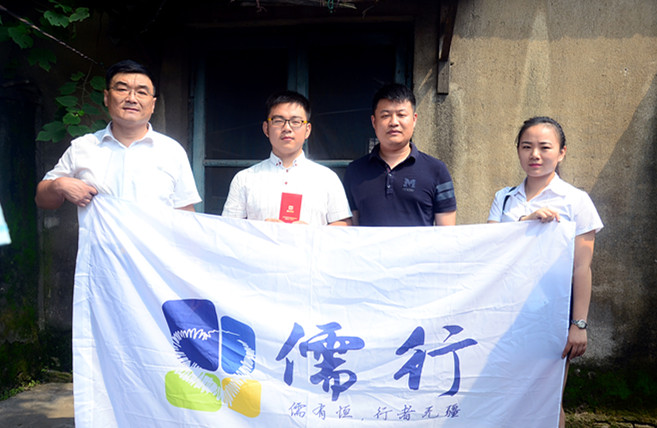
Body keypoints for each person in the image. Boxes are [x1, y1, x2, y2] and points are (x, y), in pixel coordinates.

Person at [487, 116, 603, 428]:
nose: (535, 155)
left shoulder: (576, 201)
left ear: (562, 152)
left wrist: (579, 324)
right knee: (503, 398)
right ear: (518, 151)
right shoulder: (504, 198)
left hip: (552, 316)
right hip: (507, 314)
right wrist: (524, 223)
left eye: (544, 147)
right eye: (527, 147)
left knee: (547, 401)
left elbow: (582, 267)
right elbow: (490, 249)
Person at [35, 60, 200, 211]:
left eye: (142, 92)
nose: (132, 99)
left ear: (153, 104)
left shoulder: (171, 151)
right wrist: (58, 185)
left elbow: (185, 213)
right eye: (122, 89)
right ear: (106, 97)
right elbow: (43, 201)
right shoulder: (83, 147)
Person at [222, 90, 352, 226]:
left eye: (296, 122)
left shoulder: (327, 178)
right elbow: (228, 227)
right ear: (266, 129)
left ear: (307, 130)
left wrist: (311, 233)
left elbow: (343, 224)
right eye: (278, 121)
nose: (287, 128)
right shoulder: (244, 179)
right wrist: (261, 230)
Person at [342, 83, 456, 226]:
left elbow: (446, 233)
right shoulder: (354, 171)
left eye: (401, 115)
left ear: (414, 120)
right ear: (374, 122)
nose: (394, 122)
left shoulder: (436, 170)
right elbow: (351, 230)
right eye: (385, 115)